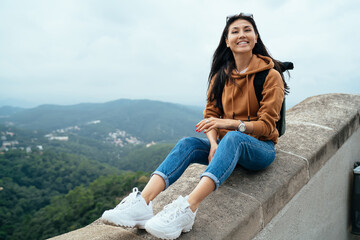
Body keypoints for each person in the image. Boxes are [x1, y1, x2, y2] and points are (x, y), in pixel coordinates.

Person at [101, 12, 289, 239]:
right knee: (187, 143)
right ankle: (143, 203)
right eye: (235, 31)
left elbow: (268, 127)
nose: (242, 34)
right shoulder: (221, 76)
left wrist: (230, 124)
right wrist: (212, 144)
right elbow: (210, 116)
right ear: (227, 42)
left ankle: (188, 208)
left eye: (247, 30)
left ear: (256, 38)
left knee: (232, 137)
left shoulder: (270, 76)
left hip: (260, 149)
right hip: (226, 148)